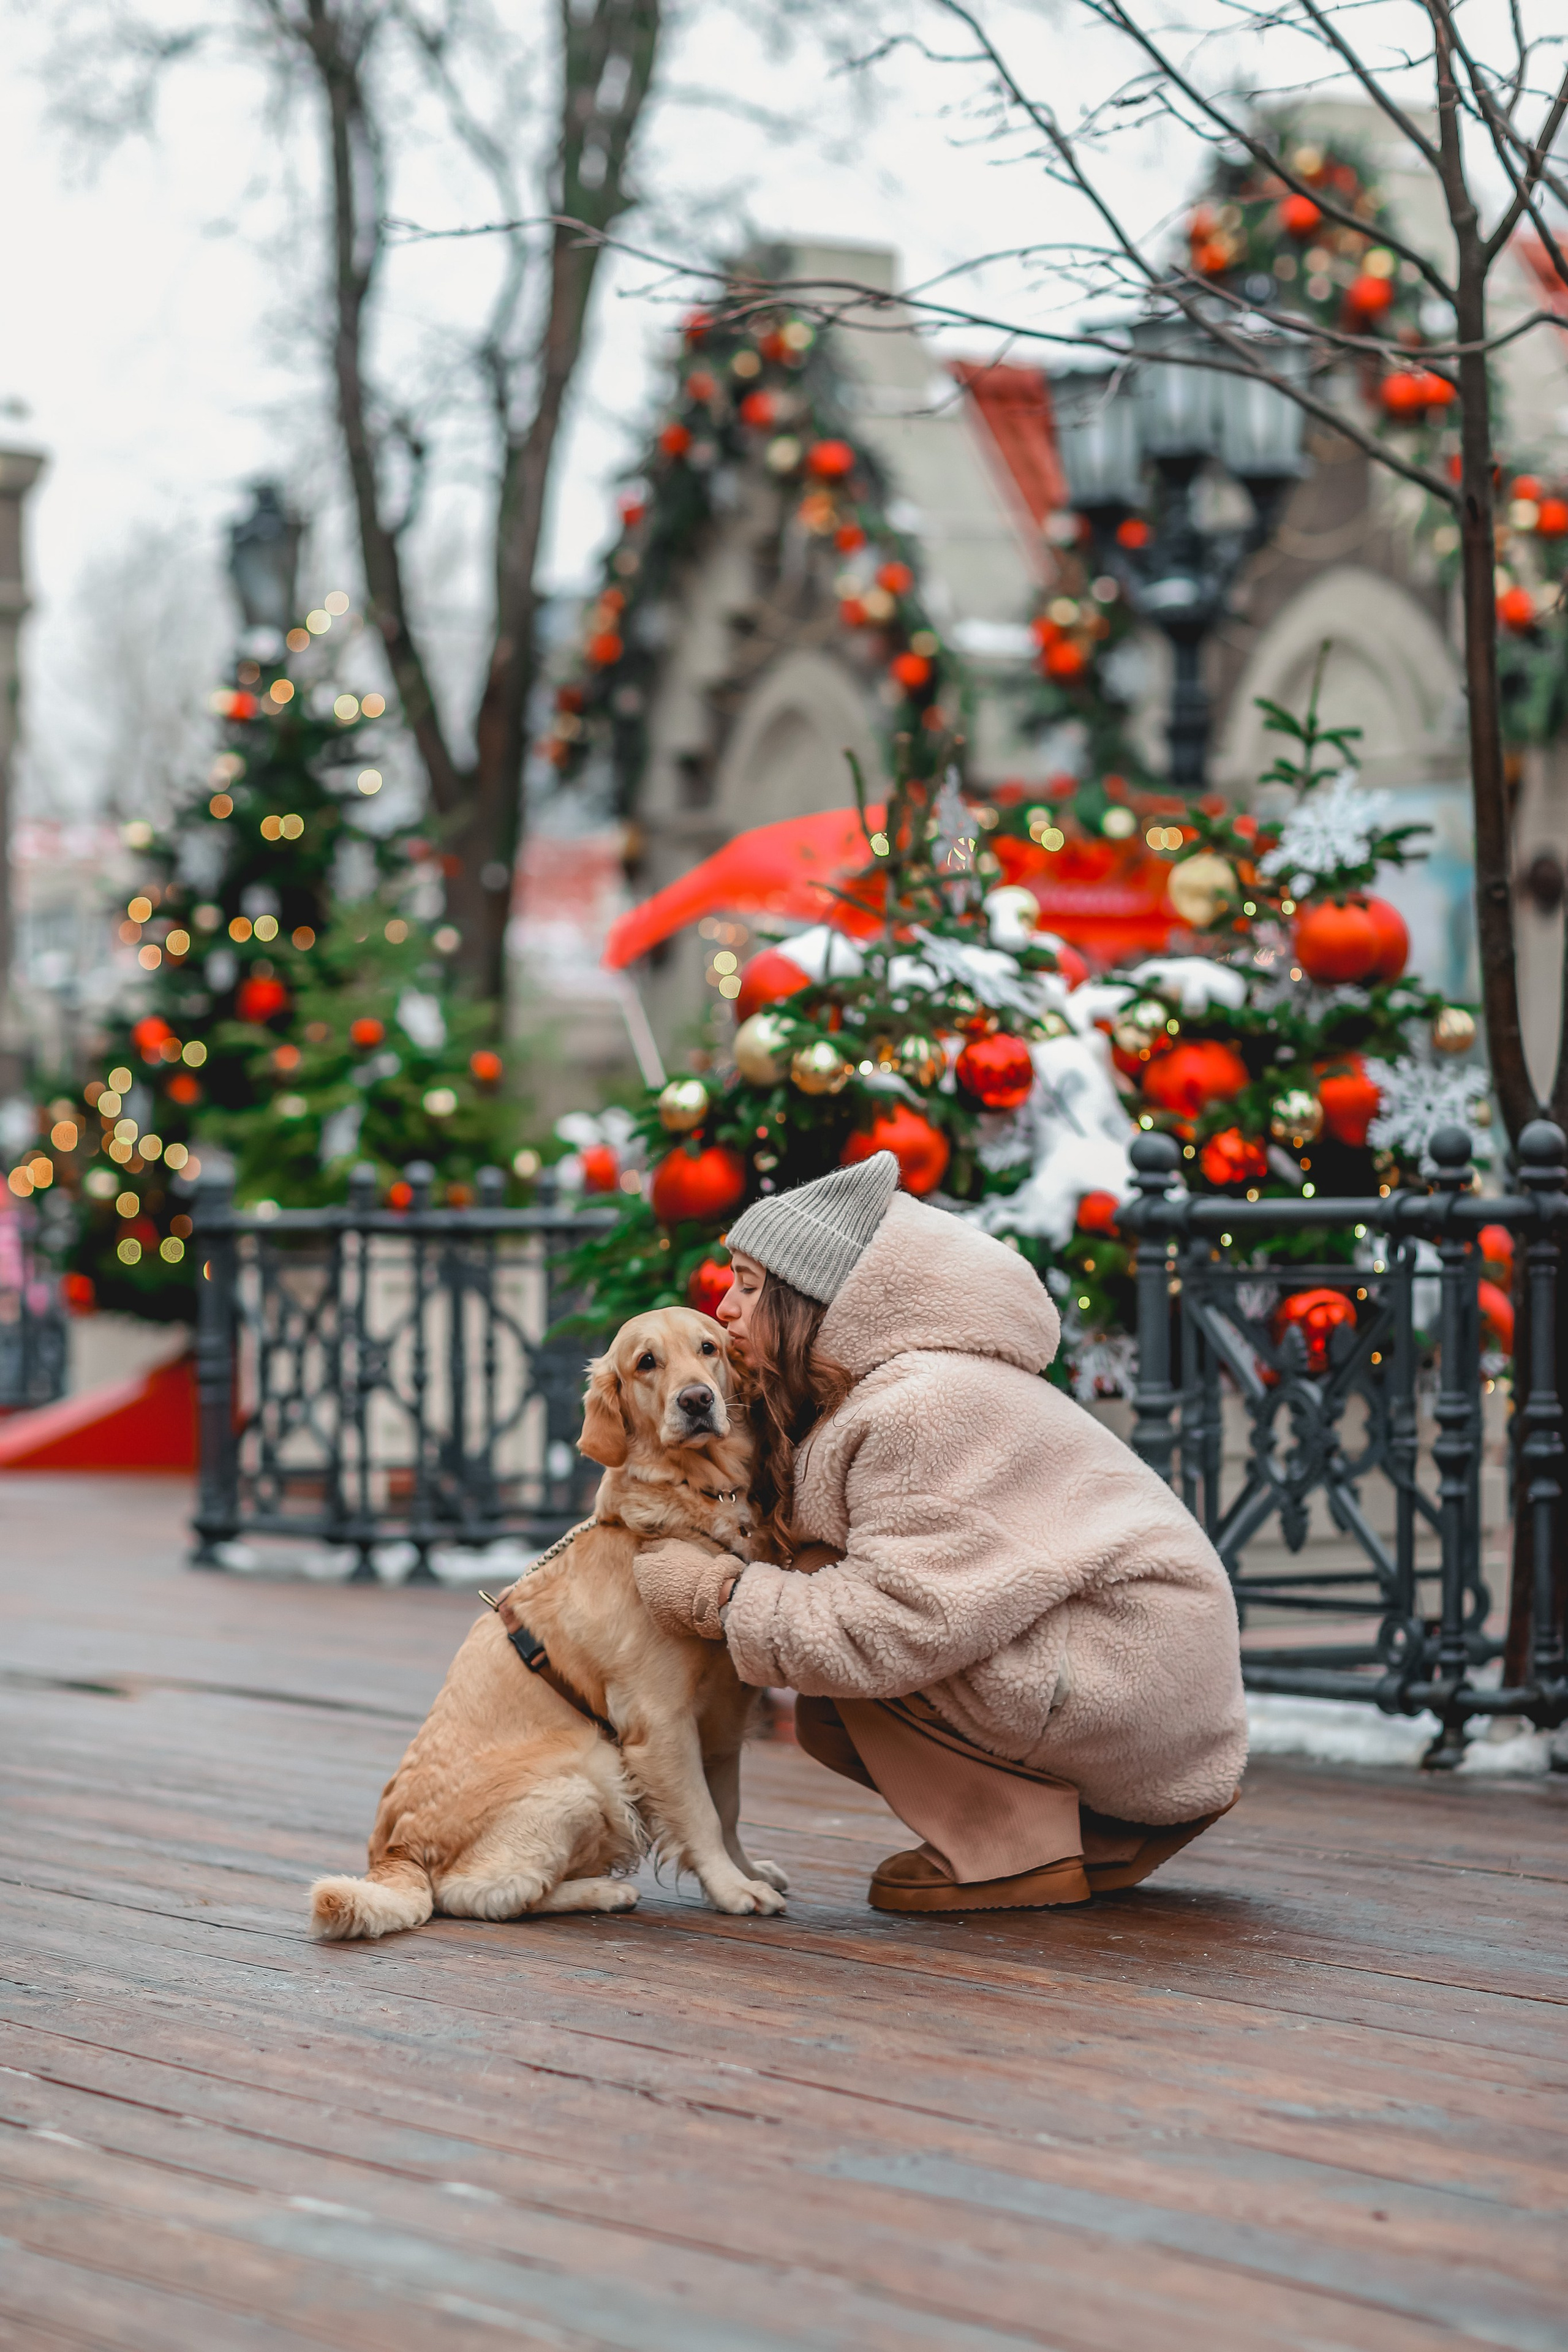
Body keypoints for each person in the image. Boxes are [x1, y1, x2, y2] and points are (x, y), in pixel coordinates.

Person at [631, 1151, 1248, 1913]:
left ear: (817, 1301)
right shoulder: (893, 1387)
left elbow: (898, 1622)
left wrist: (714, 1596)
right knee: (825, 1651)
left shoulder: (923, 1407)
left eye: (751, 1288)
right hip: (1135, 1677)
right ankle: (1092, 1834)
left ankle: (1014, 1851)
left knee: (840, 1626)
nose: (725, 1309)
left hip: (1129, 1683)